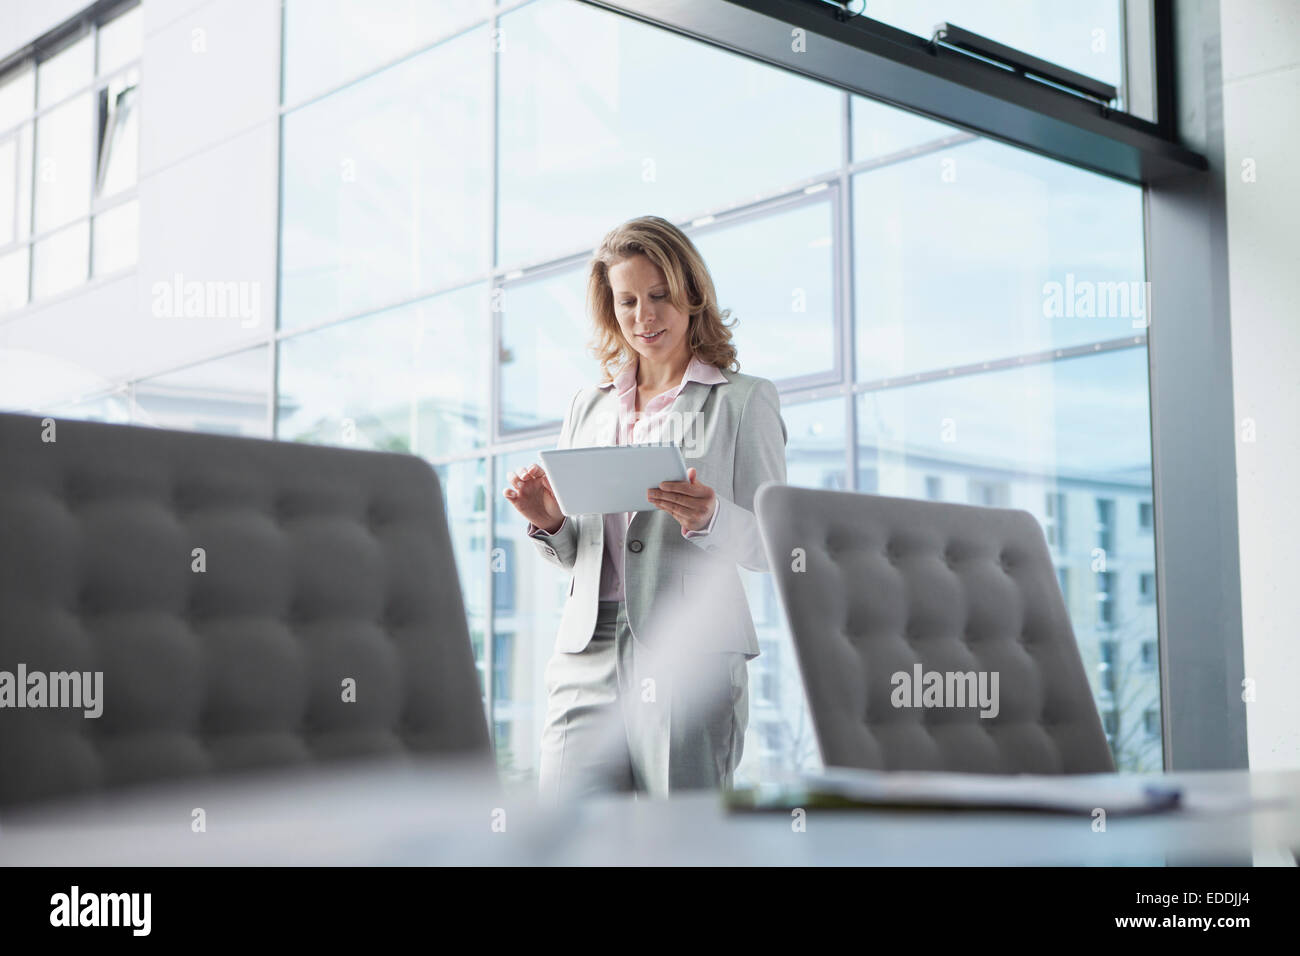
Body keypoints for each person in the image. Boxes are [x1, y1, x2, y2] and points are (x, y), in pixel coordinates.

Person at [502, 215, 788, 800]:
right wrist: (548, 521)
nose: (644, 317)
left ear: (692, 295)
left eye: (659, 296)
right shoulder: (590, 405)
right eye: (627, 301)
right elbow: (579, 553)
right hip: (586, 651)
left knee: (680, 840)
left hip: (691, 650)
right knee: (568, 834)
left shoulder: (743, 401)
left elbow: (774, 547)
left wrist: (710, 518)